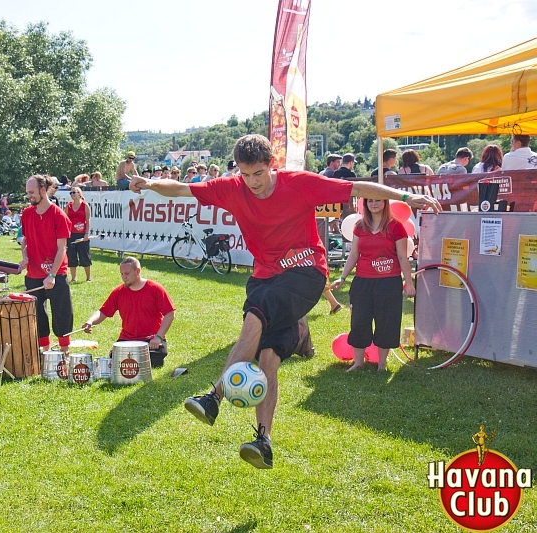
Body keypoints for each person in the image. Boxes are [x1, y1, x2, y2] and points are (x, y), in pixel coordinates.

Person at [130, 134, 441, 469]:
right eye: (246, 175)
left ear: (271, 165)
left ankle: (213, 397)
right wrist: (149, 182)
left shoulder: (299, 183)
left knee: (254, 318)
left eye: (259, 174)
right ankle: (263, 440)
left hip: (306, 271)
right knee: (268, 356)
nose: (253, 183)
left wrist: (406, 196)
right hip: (265, 276)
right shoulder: (231, 187)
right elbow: (181, 190)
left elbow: (358, 189)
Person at [330, 198, 416, 372]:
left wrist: (409, 283)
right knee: (359, 321)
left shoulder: (396, 227)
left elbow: (402, 257)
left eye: (378, 200)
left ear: (385, 203)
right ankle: (358, 362)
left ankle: (382, 364)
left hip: (389, 283)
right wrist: (343, 277)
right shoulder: (360, 226)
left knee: (387, 322)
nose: (374, 204)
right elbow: (353, 254)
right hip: (363, 282)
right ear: (365, 204)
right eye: (370, 201)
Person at [82, 256, 175, 368]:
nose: (123, 277)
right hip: (128, 339)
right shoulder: (118, 292)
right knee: (115, 356)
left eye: (127, 273)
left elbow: (170, 314)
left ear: (138, 271)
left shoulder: (155, 289)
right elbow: (103, 312)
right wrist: (90, 321)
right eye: (121, 274)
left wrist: (158, 337)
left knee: (156, 355)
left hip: (151, 339)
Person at [20, 175, 74, 354]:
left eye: (32, 192)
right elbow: (24, 240)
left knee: (62, 314)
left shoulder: (59, 215)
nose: (29, 196)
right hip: (33, 275)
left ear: (43, 190)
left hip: (56, 274)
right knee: (37, 314)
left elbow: (62, 248)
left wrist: (51, 274)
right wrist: (25, 256)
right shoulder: (27, 213)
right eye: (28, 193)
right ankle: (44, 351)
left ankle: (65, 352)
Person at [65, 186, 92, 283]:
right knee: (71, 256)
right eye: (71, 193)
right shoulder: (68, 206)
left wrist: (86, 234)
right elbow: (65, 220)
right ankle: (73, 278)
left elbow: (88, 220)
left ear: (79, 193)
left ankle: (88, 277)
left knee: (84, 255)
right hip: (71, 234)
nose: (72, 195)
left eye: (74, 192)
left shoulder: (85, 205)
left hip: (82, 234)